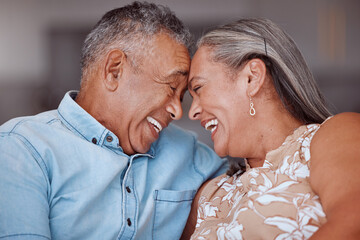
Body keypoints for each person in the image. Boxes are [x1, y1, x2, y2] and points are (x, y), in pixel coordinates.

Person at [0, 2, 228, 239]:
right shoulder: (23, 149)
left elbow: (254, 188)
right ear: (114, 70)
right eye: (171, 88)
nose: (177, 111)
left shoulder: (190, 154)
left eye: (181, 97)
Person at [182, 18, 360, 239]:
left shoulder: (334, 136)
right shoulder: (208, 197)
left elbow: (352, 221)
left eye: (198, 88)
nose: (192, 112)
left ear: (252, 78)